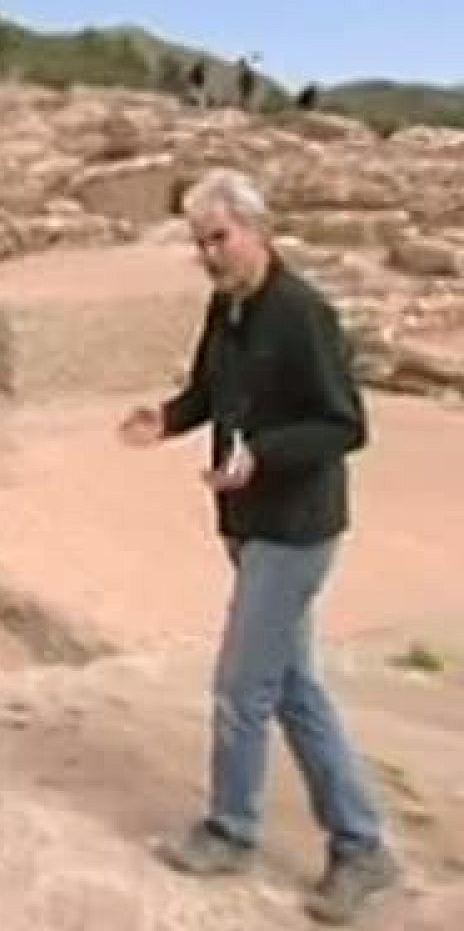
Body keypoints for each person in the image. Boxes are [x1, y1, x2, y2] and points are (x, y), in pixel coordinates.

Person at [117, 167, 399, 925]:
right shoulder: (227, 307)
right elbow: (211, 390)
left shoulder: (302, 313)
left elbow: (346, 425)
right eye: (199, 242)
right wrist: (168, 418)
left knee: (244, 687)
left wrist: (263, 454)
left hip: (295, 529)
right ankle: (363, 847)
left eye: (220, 237)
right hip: (247, 525)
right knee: (294, 687)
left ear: (256, 229)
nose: (210, 254)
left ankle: (231, 831)